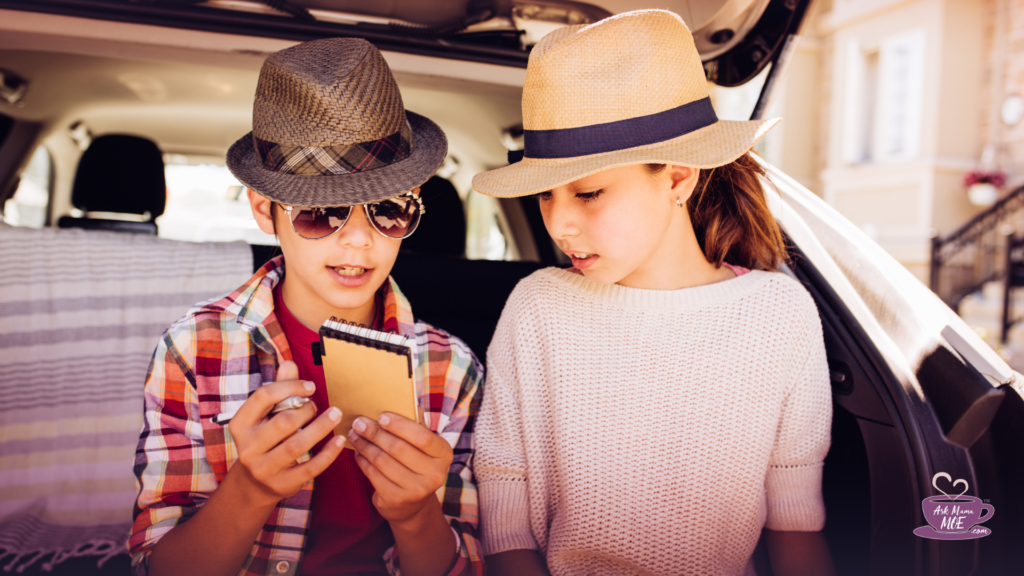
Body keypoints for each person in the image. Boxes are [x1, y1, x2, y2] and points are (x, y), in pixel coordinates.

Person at [471, 10, 835, 576]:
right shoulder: (537, 308)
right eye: (545, 195)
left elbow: (797, 528)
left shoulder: (779, 317)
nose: (559, 225)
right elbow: (505, 525)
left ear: (678, 177)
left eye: (587, 193)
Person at [128, 38, 484, 576]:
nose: (359, 242)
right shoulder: (193, 348)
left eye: (389, 211)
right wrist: (249, 491)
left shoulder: (451, 369)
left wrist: (415, 515)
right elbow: (157, 567)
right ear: (265, 212)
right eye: (322, 213)